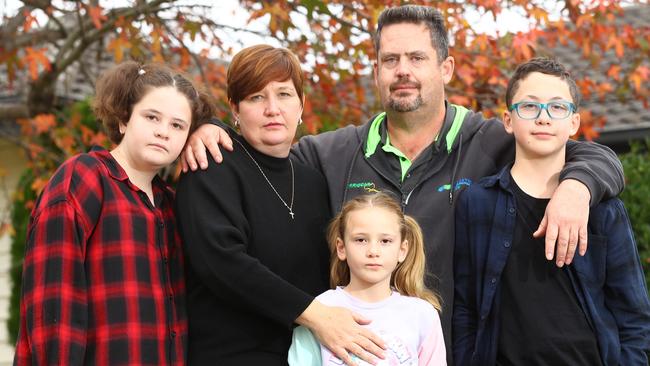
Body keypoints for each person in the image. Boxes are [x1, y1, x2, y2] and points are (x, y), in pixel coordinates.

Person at [182, 5, 625, 360]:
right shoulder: (329, 155)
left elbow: (583, 149)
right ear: (376, 70)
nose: (403, 70)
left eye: (417, 58)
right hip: (350, 352)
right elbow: (264, 154)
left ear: (446, 68)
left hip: (458, 352)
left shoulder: (492, 141)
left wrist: (576, 186)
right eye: (390, 59)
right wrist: (206, 126)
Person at [175, 44, 386, 366]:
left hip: (304, 355)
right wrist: (316, 315)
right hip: (231, 356)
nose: (272, 109)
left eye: (284, 94)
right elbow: (222, 262)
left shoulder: (312, 181)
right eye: (256, 97)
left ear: (301, 105)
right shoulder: (212, 164)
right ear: (235, 108)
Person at [13, 61, 215, 365]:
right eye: (151, 117)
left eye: (177, 125)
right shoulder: (83, 179)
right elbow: (54, 304)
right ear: (123, 119)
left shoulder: (175, 206)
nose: (163, 132)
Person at [453, 58, 650, 366]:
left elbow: (634, 317)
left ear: (574, 122)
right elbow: (466, 307)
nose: (543, 118)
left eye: (557, 107)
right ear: (508, 120)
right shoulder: (477, 203)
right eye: (529, 107)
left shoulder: (604, 210)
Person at [288, 192, 446, 366]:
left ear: (402, 250)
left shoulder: (422, 314)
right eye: (361, 239)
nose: (373, 251)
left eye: (385, 241)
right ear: (341, 248)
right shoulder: (319, 310)